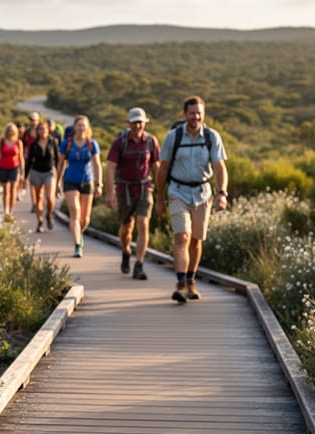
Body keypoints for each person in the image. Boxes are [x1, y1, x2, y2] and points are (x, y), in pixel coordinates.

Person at [155, 96, 229, 303]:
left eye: (199, 113)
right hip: (178, 192)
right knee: (182, 238)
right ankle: (180, 284)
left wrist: (222, 193)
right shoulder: (173, 137)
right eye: (192, 113)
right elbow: (163, 169)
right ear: (184, 114)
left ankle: (190, 280)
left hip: (203, 193)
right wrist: (159, 198)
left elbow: (220, 167)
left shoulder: (212, 137)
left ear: (203, 114)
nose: (195, 117)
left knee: (196, 240)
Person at [105, 107, 160, 280]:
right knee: (126, 229)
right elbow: (111, 167)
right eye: (134, 122)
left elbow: (156, 166)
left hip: (144, 188)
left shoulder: (151, 141)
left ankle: (139, 264)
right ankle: (126, 250)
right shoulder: (119, 142)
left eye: (140, 122)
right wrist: (109, 193)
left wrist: (160, 192)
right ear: (129, 123)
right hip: (124, 190)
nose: (137, 125)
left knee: (143, 224)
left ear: (145, 123)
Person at [57, 115, 102, 257]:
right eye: (79, 125)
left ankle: (79, 234)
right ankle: (77, 245)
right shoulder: (66, 144)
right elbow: (60, 164)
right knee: (75, 211)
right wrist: (58, 182)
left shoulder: (92, 144)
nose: (81, 128)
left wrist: (99, 183)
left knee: (85, 219)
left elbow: (97, 164)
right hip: (70, 180)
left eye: (84, 125)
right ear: (75, 127)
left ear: (87, 127)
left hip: (87, 181)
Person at [25, 121, 59, 233]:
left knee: (50, 198)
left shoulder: (53, 142)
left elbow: (58, 160)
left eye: (44, 129)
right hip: (36, 172)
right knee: (38, 199)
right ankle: (40, 222)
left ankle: (48, 215)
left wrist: (59, 177)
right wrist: (25, 177)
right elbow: (29, 161)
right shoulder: (34, 144)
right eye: (40, 129)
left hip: (49, 172)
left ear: (48, 130)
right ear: (37, 131)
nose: (43, 131)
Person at [0, 122, 24, 222]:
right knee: (6, 191)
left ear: (15, 131)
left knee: (13, 190)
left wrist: (22, 172)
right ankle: (6, 211)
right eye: (9, 130)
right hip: (3, 167)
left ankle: (11, 211)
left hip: (14, 168)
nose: (11, 132)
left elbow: (21, 157)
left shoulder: (18, 142)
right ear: (6, 131)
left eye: (13, 130)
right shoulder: (2, 141)